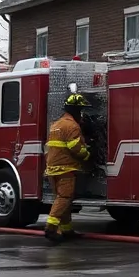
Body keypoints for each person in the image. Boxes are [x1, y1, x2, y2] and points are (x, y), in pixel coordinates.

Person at [44, 91, 93, 243]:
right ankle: (51, 228)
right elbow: (75, 147)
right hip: (66, 168)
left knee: (62, 198)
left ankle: (66, 229)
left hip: (52, 168)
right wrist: (88, 155)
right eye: (81, 110)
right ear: (75, 110)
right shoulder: (72, 126)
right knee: (64, 198)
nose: (82, 114)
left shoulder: (56, 124)